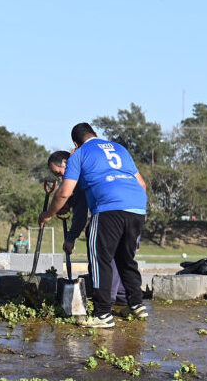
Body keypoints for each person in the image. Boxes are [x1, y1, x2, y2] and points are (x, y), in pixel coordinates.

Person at [39, 123, 148, 328]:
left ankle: (102, 314)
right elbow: (142, 184)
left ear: (75, 142)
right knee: (127, 259)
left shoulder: (79, 154)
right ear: (95, 134)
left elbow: (64, 191)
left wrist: (48, 214)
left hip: (108, 209)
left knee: (100, 261)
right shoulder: (120, 149)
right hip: (137, 207)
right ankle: (137, 305)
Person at [46, 150, 127, 305]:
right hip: (129, 214)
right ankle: (122, 299)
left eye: (59, 173)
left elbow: (81, 213)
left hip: (108, 216)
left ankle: (105, 304)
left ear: (65, 162)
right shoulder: (95, 167)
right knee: (121, 259)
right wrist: (69, 203)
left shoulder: (80, 176)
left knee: (102, 259)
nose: (61, 177)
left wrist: (70, 238)